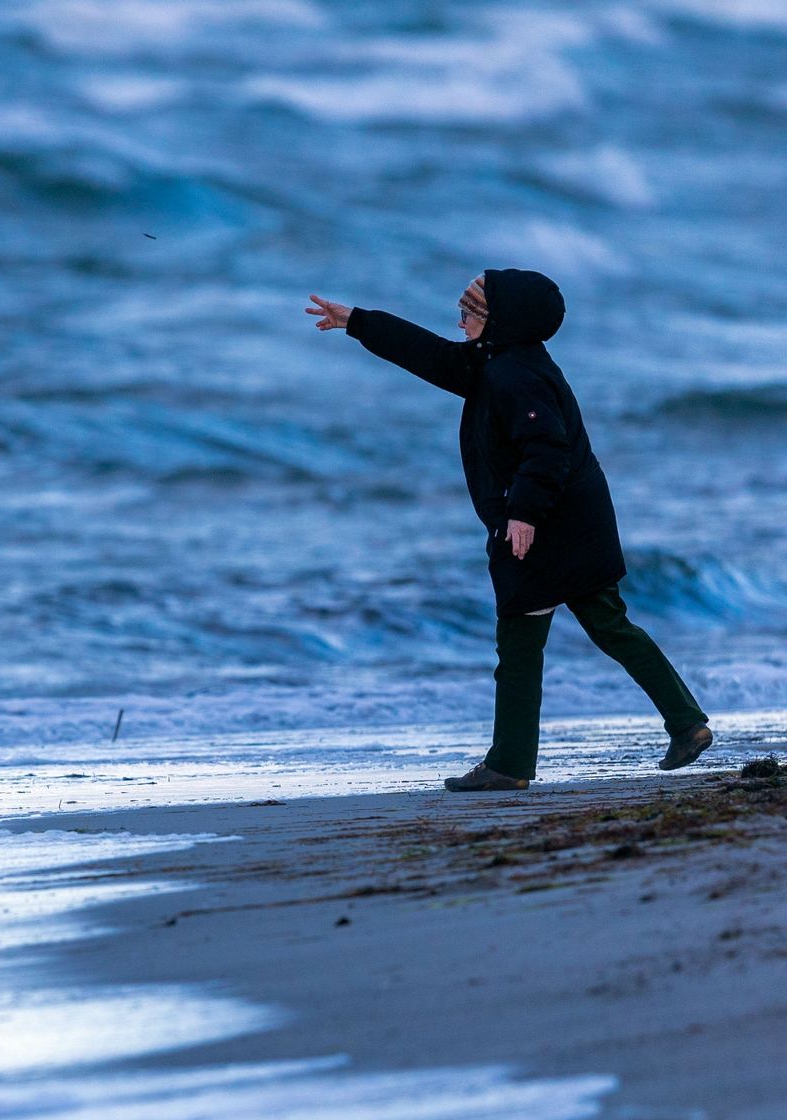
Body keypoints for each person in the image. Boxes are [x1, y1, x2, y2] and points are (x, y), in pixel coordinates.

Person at [305, 270, 711, 791]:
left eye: (469, 314)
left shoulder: (516, 374)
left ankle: (512, 764)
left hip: (546, 529)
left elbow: (547, 448)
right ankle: (684, 723)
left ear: (503, 321)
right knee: (604, 628)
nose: (460, 322)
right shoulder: (500, 361)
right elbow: (432, 356)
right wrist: (358, 322)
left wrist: (522, 514)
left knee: (525, 644)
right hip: (569, 524)